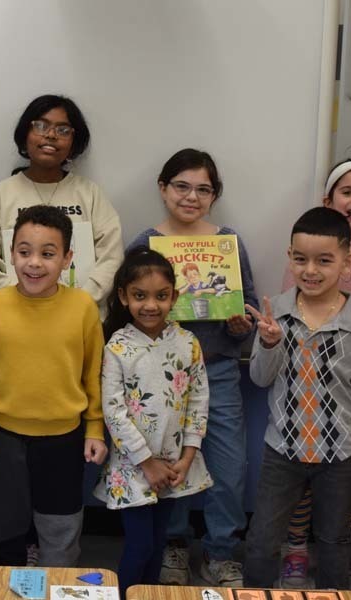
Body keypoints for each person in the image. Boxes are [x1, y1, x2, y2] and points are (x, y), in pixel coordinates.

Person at [128, 148, 257, 586]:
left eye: (203, 189)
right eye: (181, 186)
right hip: (160, 376)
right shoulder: (145, 244)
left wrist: (242, 324)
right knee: (171, 462)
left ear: (214, 195)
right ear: (163, 189)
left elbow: (249, 308)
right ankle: (174, 545)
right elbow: (125, 310)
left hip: (218, 369)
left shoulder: (228, 243)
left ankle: (221, 553)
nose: (191, 196)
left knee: (227, 466)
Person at [244, 206, 351, 589]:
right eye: (301, 259)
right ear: (290, 257)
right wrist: (270, 343)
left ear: (346, 262)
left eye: (324, 261)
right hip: (283, 451)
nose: (311, 270)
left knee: (335, 543)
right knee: (260, 542)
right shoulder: (278, 313)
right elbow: (259, 378)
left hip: (340, 455)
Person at [0, 204, 108, 566]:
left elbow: (92, 374)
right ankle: (1, 583)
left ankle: (56, 580)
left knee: (60, 524)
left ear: (67, 259)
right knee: (2, 525)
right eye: (24, 252)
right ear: (10, 254)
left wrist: (95, 427)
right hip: (3, 434)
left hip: (65, 435)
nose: (34, 263)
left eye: (48, 254)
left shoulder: (83, 308)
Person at [277, 158, 351, 587]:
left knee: (348, 467)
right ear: (329, 200)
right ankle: (294, 551)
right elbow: (294, 298)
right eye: (347, 192)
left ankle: (335, 557)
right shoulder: (314, 246)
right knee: (302, 474)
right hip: (310, 375)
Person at [93, 247, 212, 597]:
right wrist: (146, 462)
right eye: (140, 296)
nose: (150, 305)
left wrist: (187, 458)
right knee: (140, 545)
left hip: (175, 464)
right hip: (134, 466)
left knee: (159, 543)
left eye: (161, 296)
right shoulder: (117, 347)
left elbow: (199, 401)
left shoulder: (188, 342)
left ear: (174, 296)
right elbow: (113, 411)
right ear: (123, 297)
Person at [0, 94, 123, 315]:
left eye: (63, 130)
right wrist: (25, 302)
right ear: (25, 134)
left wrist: (78, 303)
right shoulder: (2, 194)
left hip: (77, 320)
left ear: (74, 141)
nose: (51, 135)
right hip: (14, 319)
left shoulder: (89, 194)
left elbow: (111, 260)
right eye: (41, 126)